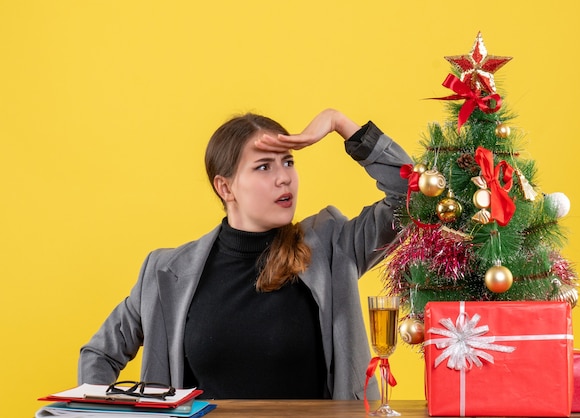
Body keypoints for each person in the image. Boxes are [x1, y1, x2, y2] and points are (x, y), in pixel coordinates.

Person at [78, 108, 412, 400]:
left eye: (288, 162)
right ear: (225, 187)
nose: (284, 178)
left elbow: (413, 196)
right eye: (264, 167)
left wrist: (342, 124)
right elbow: (99, 354)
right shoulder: (166, 272)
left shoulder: (332, 246)